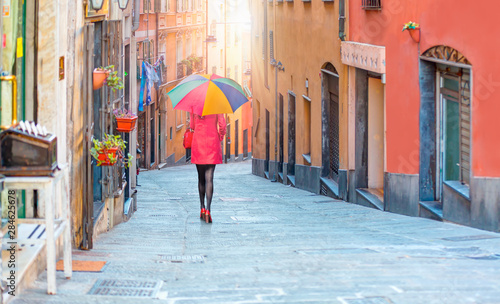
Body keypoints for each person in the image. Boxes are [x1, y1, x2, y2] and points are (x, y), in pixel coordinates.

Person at [190, 111, 226, 223]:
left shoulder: (194, 104)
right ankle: (208, 210)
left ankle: (202, 207)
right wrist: (219, 136)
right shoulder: (216, 104)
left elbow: (192, 125)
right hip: (212, 141)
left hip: (198, 141)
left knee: (201, 178)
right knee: (209, 178)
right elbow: (222, 125)